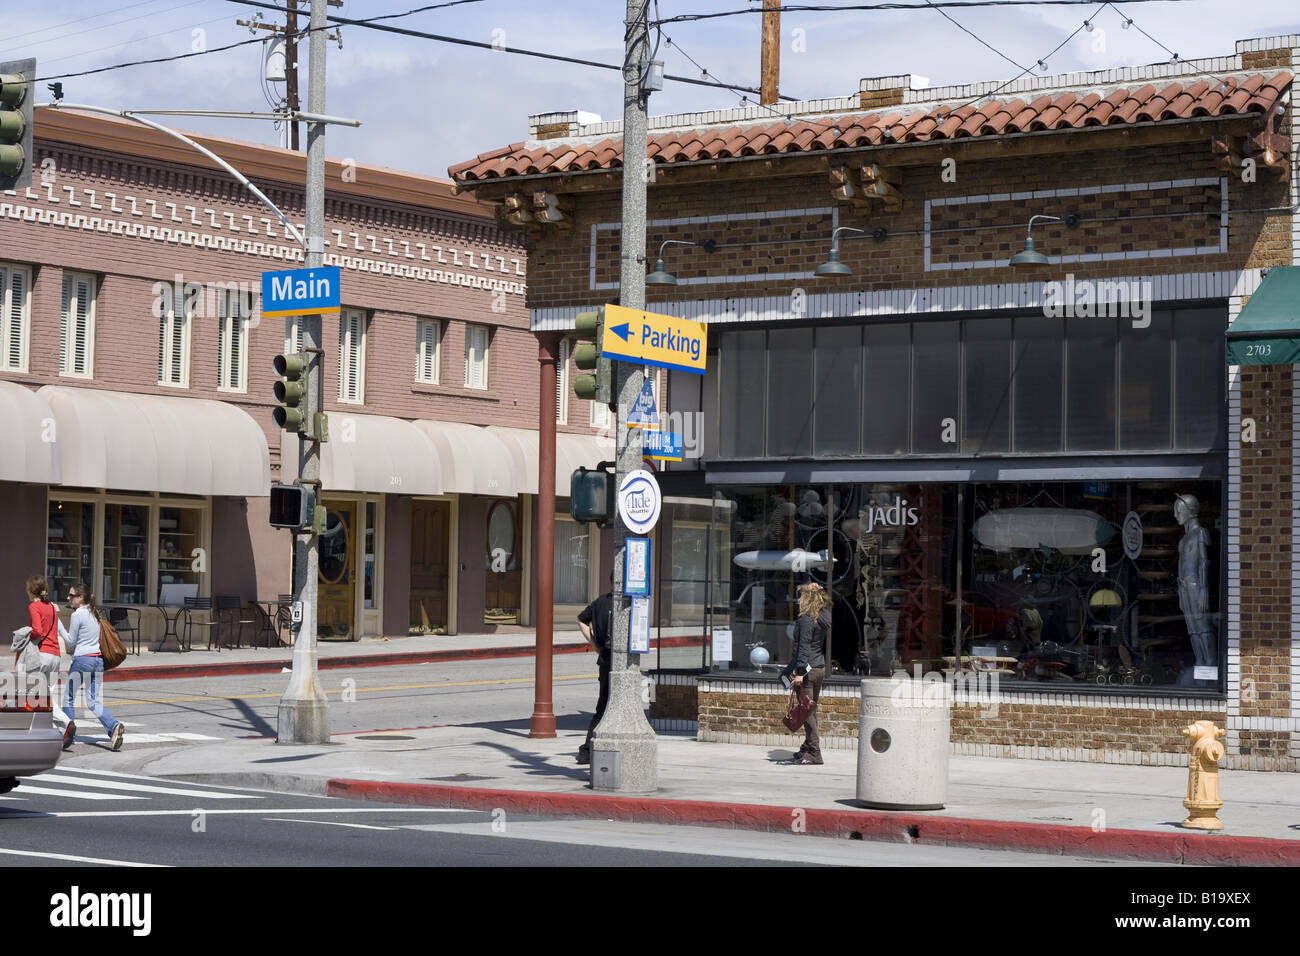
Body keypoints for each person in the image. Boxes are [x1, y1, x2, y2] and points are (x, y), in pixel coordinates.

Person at [61, 582, 124, 751]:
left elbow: (70, 641)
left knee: (68, 697)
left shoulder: (78, 614)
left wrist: (58, 624)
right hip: (98, 660)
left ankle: (67, 734)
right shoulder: (93, 612)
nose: (68, 598)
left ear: (80, 598)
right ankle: (113, 726)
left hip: (82, 660)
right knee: (93, 700)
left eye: (71, 595)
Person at [25, 574, 76, 749]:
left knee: (36, 697)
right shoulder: (52, 608)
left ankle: (66, 723)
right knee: (46, 697)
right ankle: (56, 732)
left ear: (32, 590)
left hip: (42, 655)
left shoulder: (34, 606)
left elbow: (37, 631)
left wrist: (26, 635)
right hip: (56, 656)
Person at [788, 581, 831, 765]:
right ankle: (807, 747)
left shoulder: (806, 619)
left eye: (801, 595)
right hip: (819, 668)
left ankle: (814, 752)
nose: (798, 599)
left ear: (808, 599)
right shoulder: (823, 616)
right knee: (810, 709)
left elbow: (803, 648)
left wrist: (798, 673)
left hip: (807, 671)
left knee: (807, 713)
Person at [575, 574, 614, 765]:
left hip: (605, 659)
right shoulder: (625, 605)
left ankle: (587, 750)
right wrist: (595, 644)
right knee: (609, 705)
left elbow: (581, 620)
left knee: (603, 706)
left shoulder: (600, 602)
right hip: (614, 659)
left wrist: (594, 644)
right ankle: (589, 750)